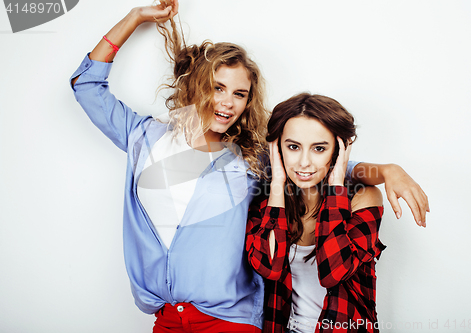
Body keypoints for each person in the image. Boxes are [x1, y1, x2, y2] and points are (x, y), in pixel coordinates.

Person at [69, 1, 428, 332]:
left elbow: (319, 166)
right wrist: (136, 17)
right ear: (197, 87)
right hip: (166, 318)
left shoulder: (250, 159)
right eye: (217, 88)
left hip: (230, 319)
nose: (227, 103)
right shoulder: (145, 137)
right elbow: (86, 85)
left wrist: (386, 170)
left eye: (239, 94)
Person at [246, 93, 388, 333]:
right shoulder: (265, 205)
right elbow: (270, 268)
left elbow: (334, 272)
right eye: (293, 147)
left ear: (338, 150)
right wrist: (278, 184)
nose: (304, 162)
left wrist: (336, 186)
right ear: (277, 147)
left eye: (319, 148)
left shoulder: (364, 198)